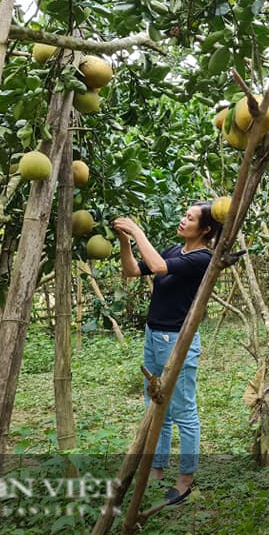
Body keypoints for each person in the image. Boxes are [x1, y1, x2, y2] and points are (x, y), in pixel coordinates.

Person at [113, 202, 220, 506]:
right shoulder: (175, 250)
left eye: (190, 217)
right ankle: (155, 469)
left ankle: (185, 481)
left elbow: (158, 267)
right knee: (154, 407)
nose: (183, 219)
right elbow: (132, 270)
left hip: (178, 341)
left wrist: (137, 230)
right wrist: (125, 240)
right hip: (153, 336)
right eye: (183, 214)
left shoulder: (203, 258)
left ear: (206, 229)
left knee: (183, 411)